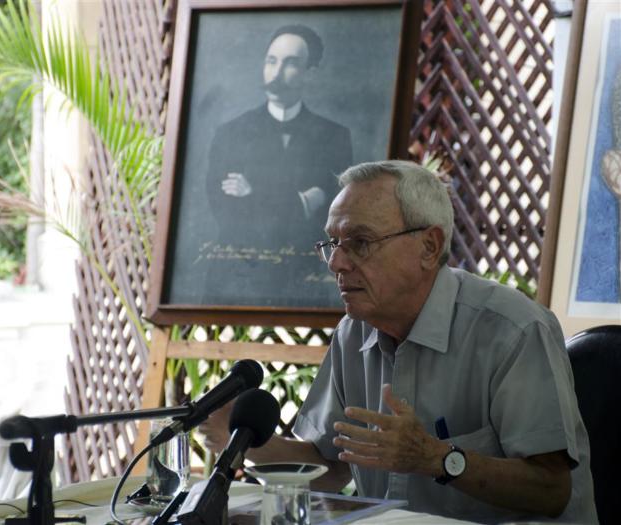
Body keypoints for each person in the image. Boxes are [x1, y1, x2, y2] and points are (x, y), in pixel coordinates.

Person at [200, 160, 598, 524]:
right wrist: (243, 440)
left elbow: (551, 490)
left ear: (429, 246)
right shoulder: (353, 333)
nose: (337, 263)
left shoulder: (512, 329)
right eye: (332, 244)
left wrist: (438, 459)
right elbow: (331, 468)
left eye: (360, 242)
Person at [202, 24, 352, 304]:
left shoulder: (334, 137)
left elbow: (332, 218)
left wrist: (253, 194)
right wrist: (301, 202)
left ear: (310, 73)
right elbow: (228, 212)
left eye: (290, 63)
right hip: (237, 280)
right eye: (271, 61)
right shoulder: (230, 133)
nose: (276, 72)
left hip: (304, 279)